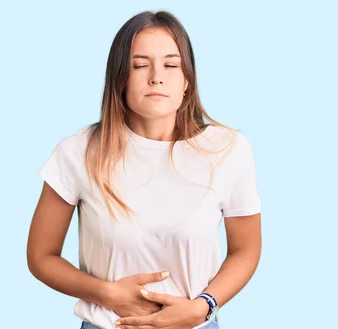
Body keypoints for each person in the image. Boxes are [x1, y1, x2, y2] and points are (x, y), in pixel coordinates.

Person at [27, 10, 262, 329]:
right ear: (120, 78)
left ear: (187, 80)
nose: (156, 77)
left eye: (170, 64)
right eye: (140, 65)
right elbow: (41, 256)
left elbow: (246, 250)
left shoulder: (228, 150)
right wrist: (107, 294)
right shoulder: (78, 152)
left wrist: (202, 307)